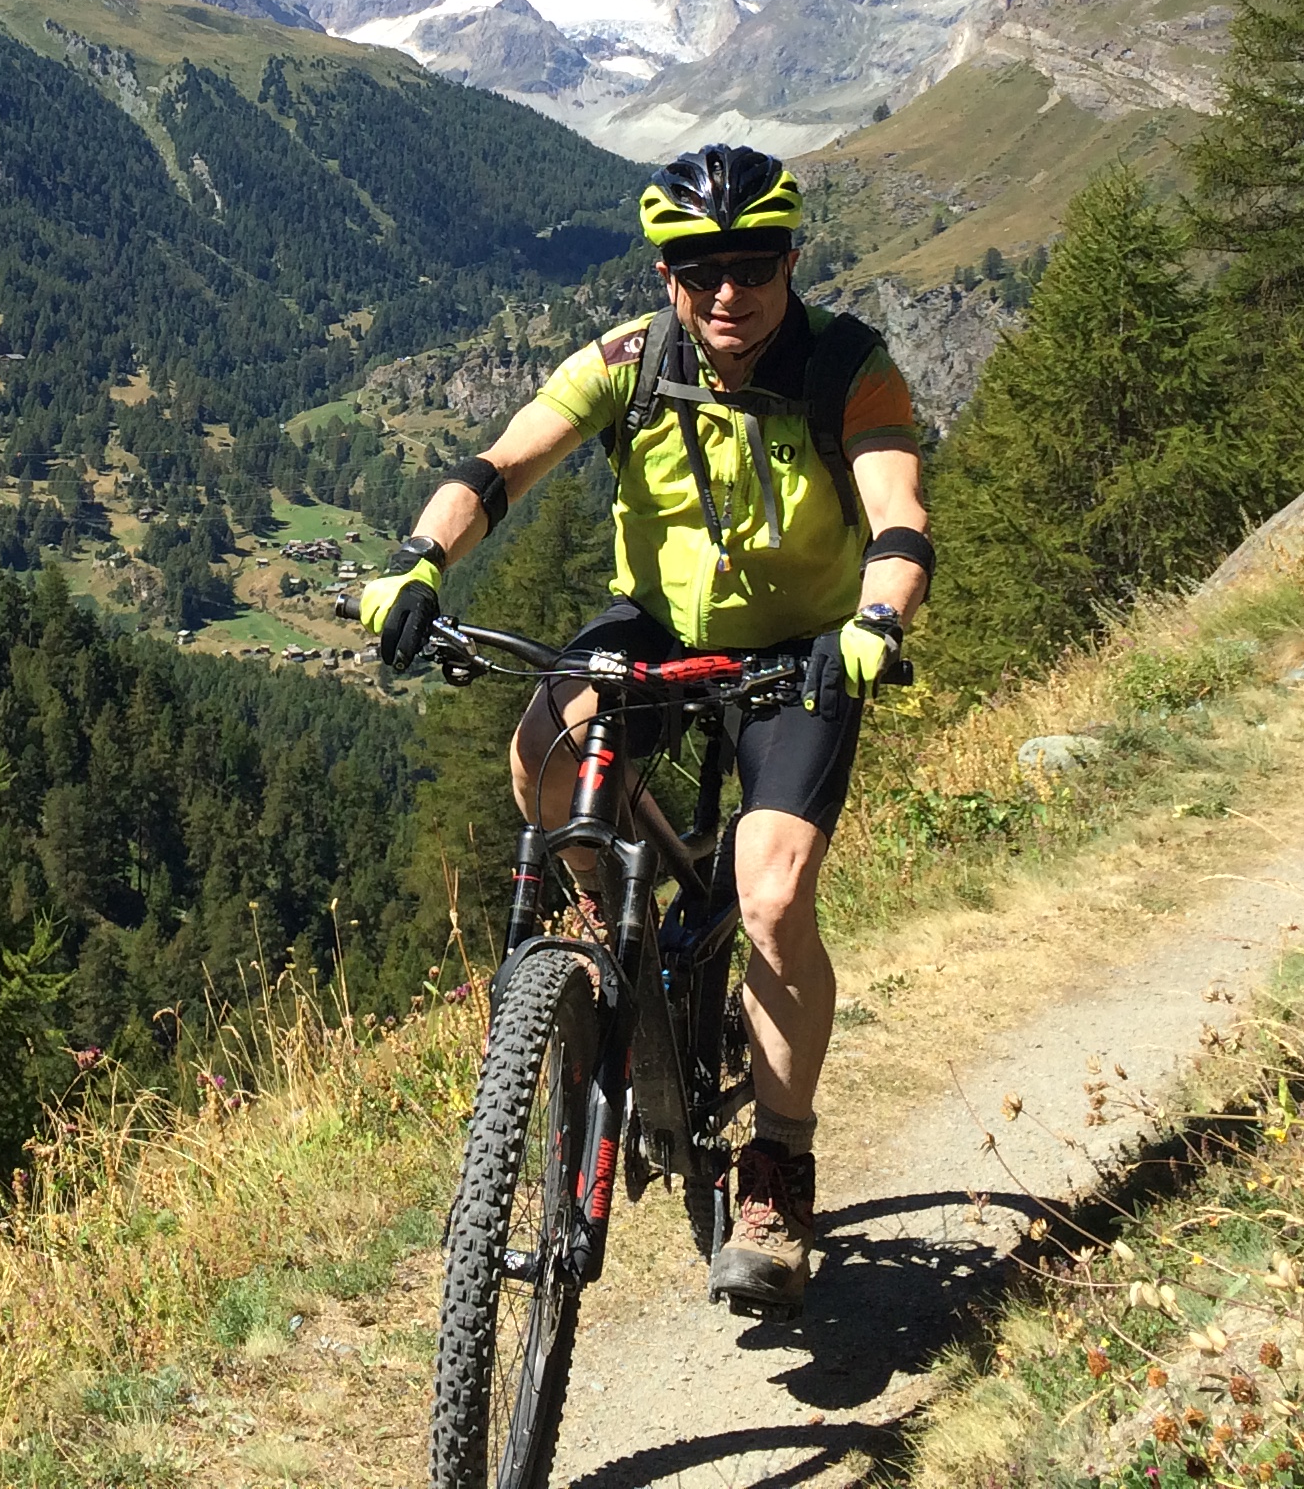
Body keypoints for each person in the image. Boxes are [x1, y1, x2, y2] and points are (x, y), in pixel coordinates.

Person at [359, 144, 930, 1311]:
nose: (730, 290)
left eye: (754, 263)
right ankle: (605, 933)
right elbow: (502, 464)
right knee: (541, 760)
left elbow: (898, 514)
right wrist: (421, 558)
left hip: (804, 650)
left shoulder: (846, 368)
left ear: (790, 261)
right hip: (659, 629)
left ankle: (777, 1170)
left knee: (772, 896)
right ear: (667, 275)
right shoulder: (627, 362)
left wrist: (877, 617)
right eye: (700, 268)